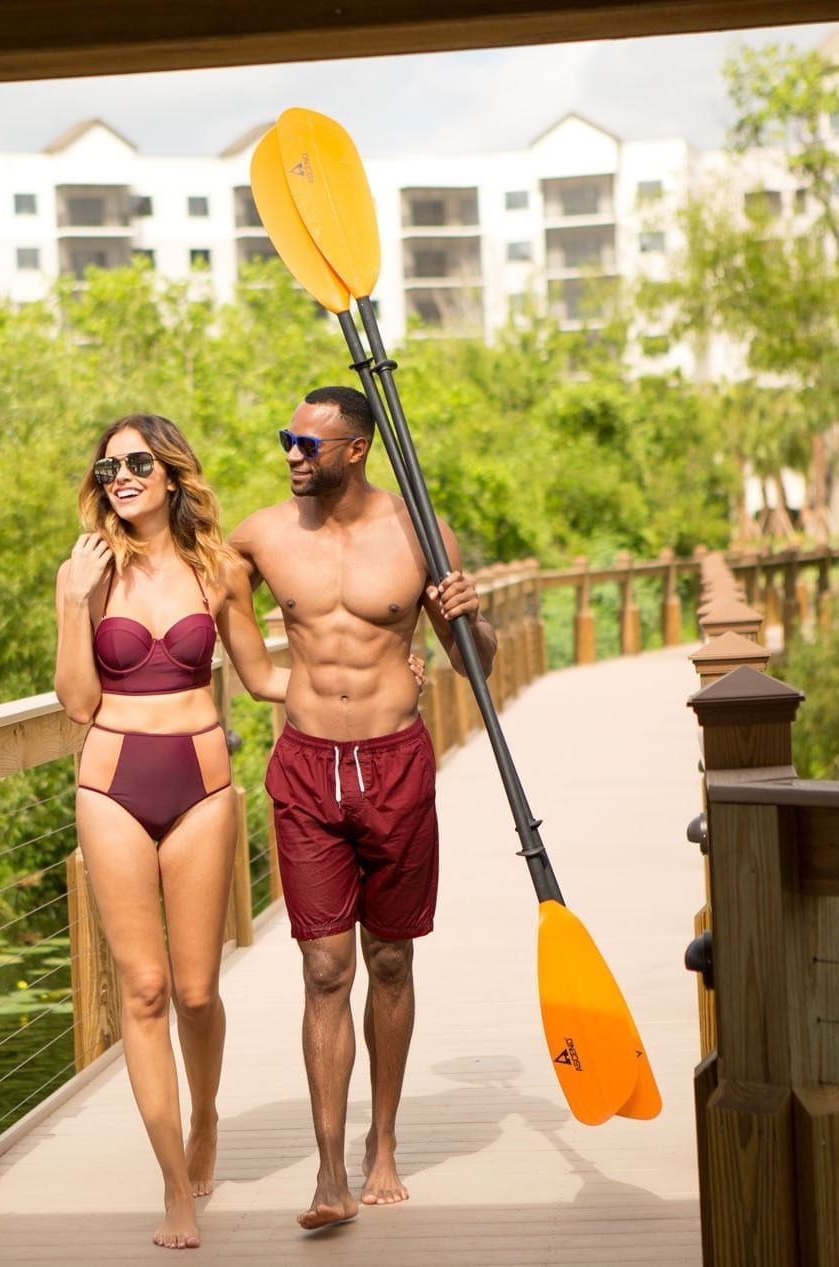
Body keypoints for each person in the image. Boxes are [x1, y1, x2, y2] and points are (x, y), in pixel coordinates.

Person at [228, 385, 497, 1232]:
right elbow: (205, 590)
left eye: (308, 443)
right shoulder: (262, 533)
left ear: (356, 449)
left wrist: (471, 622)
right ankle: (330, 1171)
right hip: (307, 766)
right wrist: (262, 678)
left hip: (395, 765)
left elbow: (472, 662)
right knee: (322, 969)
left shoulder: (421, 531)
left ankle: (383, 1142)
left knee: (388, 960)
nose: (292, 454)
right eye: (287, 440)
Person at [53, 413, 288, 1251]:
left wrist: (363, 674)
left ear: (173, 474)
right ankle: (173, 1190)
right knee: (144, 990)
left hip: (202, 784)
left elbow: (260, 677)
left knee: (196, 989)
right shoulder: (86, 572)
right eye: (108, 464)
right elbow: (77, 701)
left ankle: (208, 1116)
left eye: (137, 461)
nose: (120, 474)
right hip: (112, 781)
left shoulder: (218, 569)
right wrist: (73, 605)